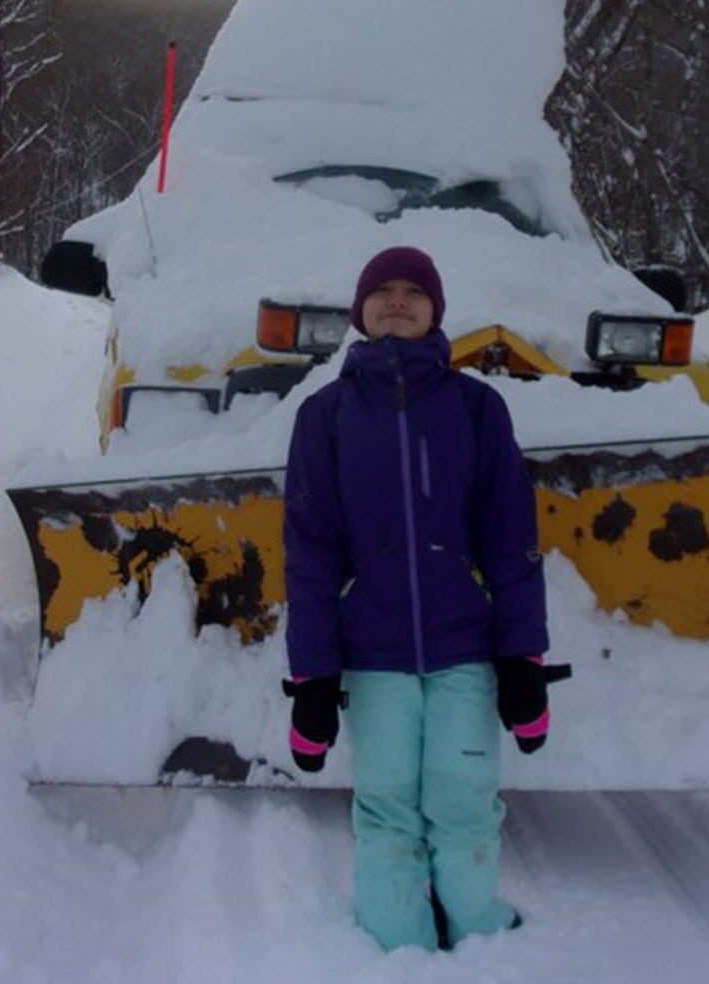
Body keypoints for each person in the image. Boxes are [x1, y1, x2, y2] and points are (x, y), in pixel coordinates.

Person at [281, 245, 566, 952]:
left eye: (414, 291)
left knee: (463, 803)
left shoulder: (475, 409)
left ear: (437, 308)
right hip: (373, 657)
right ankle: (397, 948)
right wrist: (314, 681)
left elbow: (510, 537)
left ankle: (479, 937)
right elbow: (311, 554)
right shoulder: (326, 414)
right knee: (384, 811)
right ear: (361, 310)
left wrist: (524, 660)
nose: (398, 301)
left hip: (464, 649)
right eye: (383, 291)